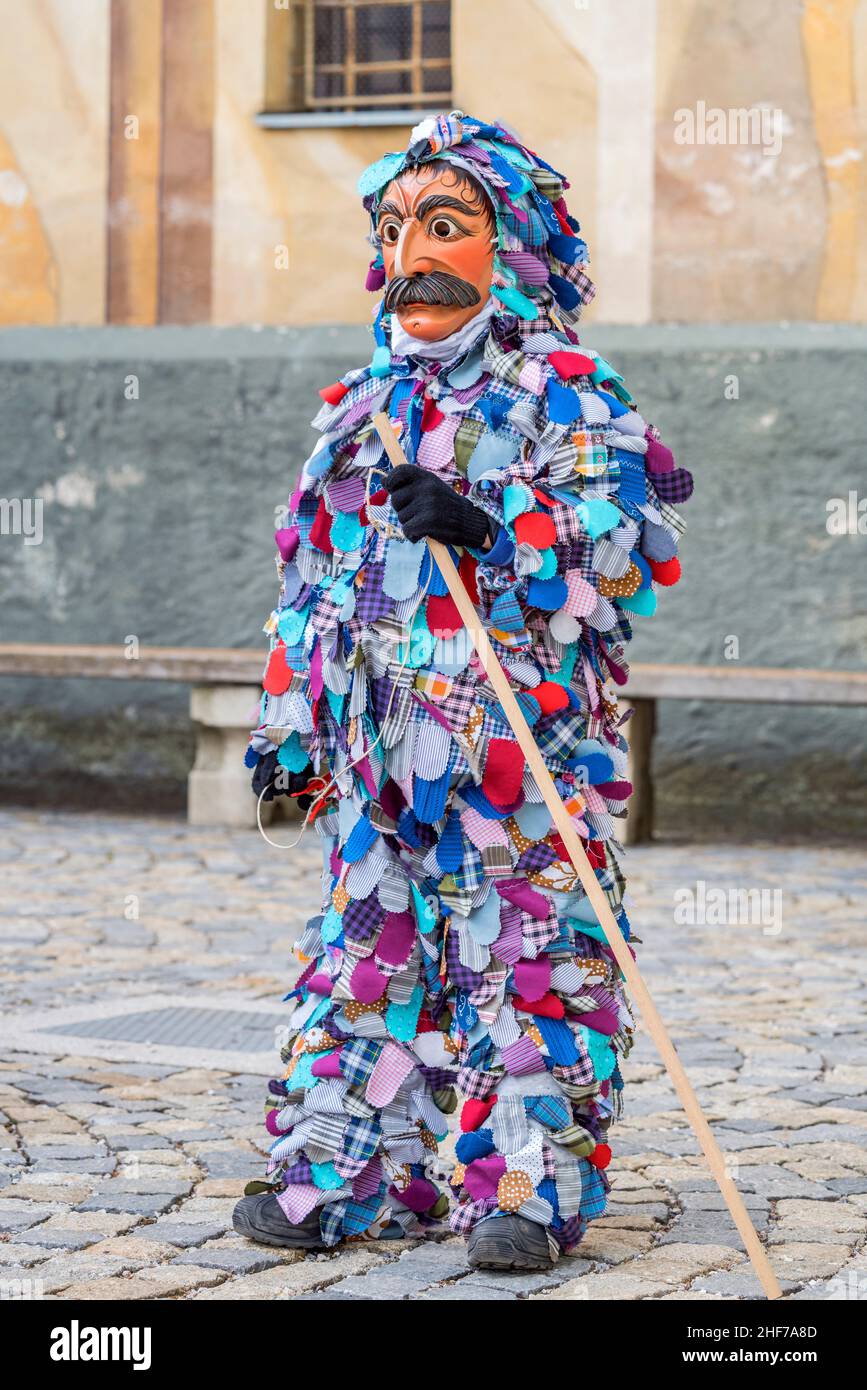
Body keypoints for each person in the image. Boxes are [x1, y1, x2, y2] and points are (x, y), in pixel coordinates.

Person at [232, 112, 693, 1271]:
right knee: (361, 956)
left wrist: (490, 528)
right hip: (375, 756)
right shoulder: (358, 409)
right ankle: (342, 1170)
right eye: (394, 229)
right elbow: (311, 584)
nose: (411, 256)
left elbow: (620, 547)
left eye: (445, 226)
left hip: (515, 756)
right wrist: (289, 724)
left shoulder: (565, 393)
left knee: (524, 950)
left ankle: (531, 1185)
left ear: (514, 245)